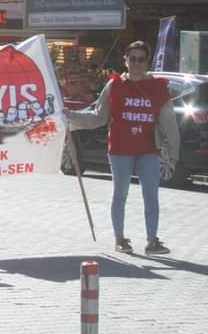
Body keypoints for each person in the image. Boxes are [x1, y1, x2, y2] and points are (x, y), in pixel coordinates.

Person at [67, 41, 180, 255]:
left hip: (149, 150)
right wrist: (70, 119)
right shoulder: (114, 85)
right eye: (133, 59)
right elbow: (98, 117)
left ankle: (151, 241)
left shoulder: (158, 87)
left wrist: (173, 153)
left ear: (147, 62)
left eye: (141, 59)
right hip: (120, 149)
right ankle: (120, 239)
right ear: (125, 61)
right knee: (120, 194)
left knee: (151, 195)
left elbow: (169, 123)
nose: (137, 63)